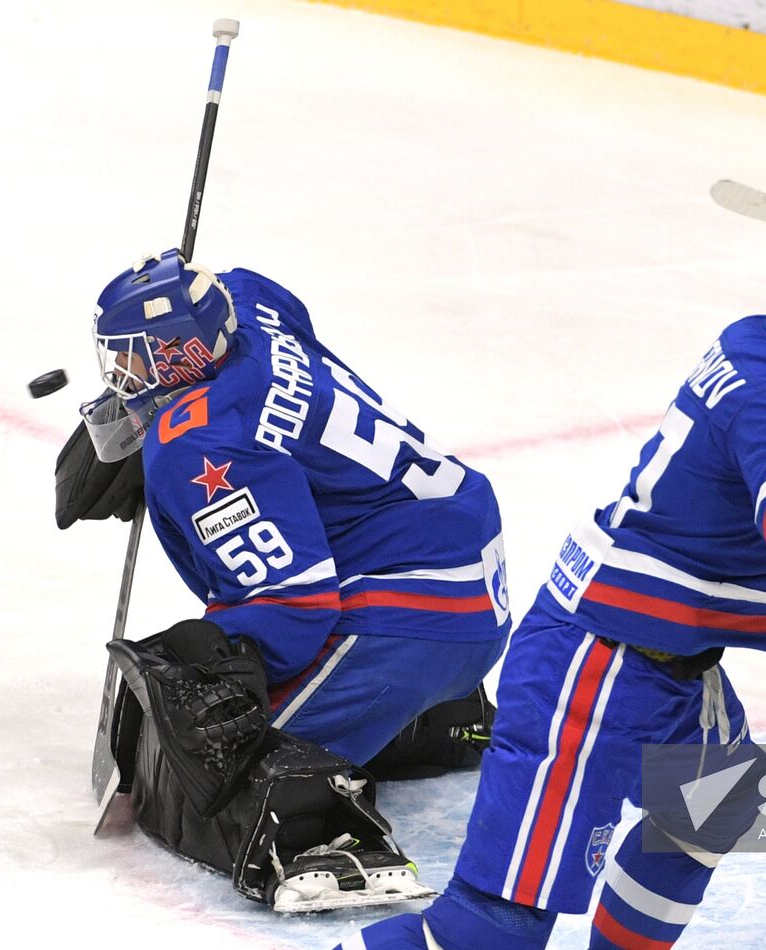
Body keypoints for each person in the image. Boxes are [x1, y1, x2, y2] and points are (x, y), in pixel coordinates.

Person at [360, 222, 766, 947]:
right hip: (596, 667)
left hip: (658, 661)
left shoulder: (765, 342)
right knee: (488, 932)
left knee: (715, 799)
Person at [59, 249, 511, 911]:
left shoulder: (200, 444)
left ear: (178, 356)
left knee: (213, 765)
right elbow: (237, 290)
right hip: (459, 558)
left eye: (131, 358)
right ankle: (441, 715)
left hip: (419, 612)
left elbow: (292, 609)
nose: (120, 374)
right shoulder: (249, 304)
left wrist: (220, 669)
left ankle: (331, 837)